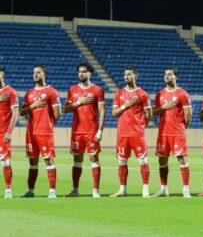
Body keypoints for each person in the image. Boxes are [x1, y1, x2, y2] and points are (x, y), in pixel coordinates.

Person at [65, 62, 106, 198]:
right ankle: (75, 190)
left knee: (94, 158)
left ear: (90, 73)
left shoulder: (98, 90)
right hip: (77, 131)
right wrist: (79, 102)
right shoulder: (72, 90)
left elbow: (103, 111)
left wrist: (100, 130)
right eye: (80, 72)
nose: (81, 74)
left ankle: (95, 190)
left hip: (91, 131)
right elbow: (66, 109)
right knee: (77, 160)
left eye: (84, 71)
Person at [20, 65, 61, 199]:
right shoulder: (29, 93)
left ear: (45, 74)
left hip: (45, 132)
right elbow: (21, 112)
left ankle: (52, 191)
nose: (35, 74)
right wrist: (33, 105)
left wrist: (48, 124)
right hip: (31, 133)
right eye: (34, 73)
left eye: (38, 72)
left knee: (48, 160)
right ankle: (30, 191)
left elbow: (57, 114)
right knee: (32, 162)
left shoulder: (52, 92)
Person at [110, 67, 152, 197]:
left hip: (137, 134)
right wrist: (125, 105)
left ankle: (145, 189)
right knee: (122, 162)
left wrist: (140, 126)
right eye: (125, 74)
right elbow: (114, 113)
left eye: (129, 74)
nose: (126, 76)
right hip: (122, 134)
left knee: (143, 161)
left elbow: (149, 114)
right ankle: (122, 190)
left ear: (135, 76)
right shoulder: (119, 94)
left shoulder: (143, 94)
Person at [152, 68, 192, 198]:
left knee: (182, 159)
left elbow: (188, 114)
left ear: (176, 77)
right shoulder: (160, 94)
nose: (167, 76)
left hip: (177, 132)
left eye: (170, 74)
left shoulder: (182, 93)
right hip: (163, 133)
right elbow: (154, 112)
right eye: (165, 74)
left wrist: (181, 128)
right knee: (162, 161)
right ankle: (164, 189)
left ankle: (186, 190)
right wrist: (163, 107)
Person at [0, 66, 19, 198]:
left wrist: (9, 132)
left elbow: (15, 113)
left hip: (2, 132)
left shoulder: (10, 92)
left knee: (6, 161)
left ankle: (8, 189)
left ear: (3, 75)